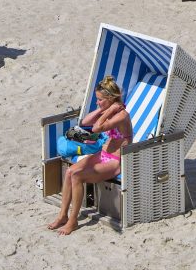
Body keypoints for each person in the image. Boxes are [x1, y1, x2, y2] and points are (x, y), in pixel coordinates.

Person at [47, 76, 132, 236]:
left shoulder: (121, 115)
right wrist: (103, 109)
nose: (97, 102)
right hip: (103, 155)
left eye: (100, 100)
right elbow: (85, 121)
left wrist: (112, 109)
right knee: (70, 172)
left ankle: (73, 221)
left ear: (110, 98)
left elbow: (96, 128)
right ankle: (63, 215)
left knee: (77, 176)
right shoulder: (109, 110)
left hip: (115, 161)